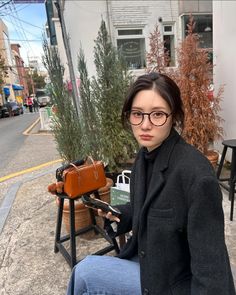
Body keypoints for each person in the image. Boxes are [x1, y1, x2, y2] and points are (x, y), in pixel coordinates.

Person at [66, 73, 235, 295]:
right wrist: (122, 214)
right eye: (137, 114)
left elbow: (211, 267)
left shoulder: (196, 176)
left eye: (157, 114)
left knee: (86, 272)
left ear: (173, 117)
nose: (145, 125)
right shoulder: (144, 157)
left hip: (172, 282)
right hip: (146, 259)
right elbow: (149, 208)